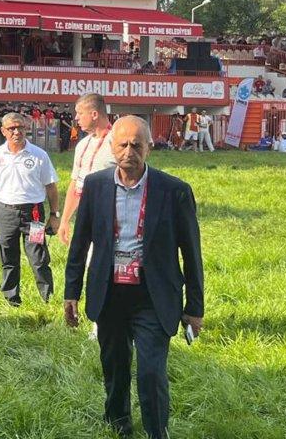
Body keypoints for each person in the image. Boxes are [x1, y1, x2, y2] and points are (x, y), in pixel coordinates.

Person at [64, 116, 205, 439]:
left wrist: (195, 307)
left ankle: (158, 431)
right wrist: (71, 292)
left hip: (153, 295)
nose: (129, 151)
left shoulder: (174, 191)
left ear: (149, 149)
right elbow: (80, 242)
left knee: (152, 372)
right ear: (113, 148)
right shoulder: (97, 186)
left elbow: (192, 254)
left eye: (136, 145)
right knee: (114, 366)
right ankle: (119, 426)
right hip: (109, 293)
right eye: (123, 145)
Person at [0, 112, 60, 306]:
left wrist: (55, 215)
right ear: (3, 131)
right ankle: (11, 300)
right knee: (8, 256)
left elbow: (51, 187)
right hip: (5, 213)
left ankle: (48, 299)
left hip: (34, 214)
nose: (16, 132)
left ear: (26, 128)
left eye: (20, 127)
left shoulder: (39, 155)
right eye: (11, 128)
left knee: (38, 258)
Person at [58, 94, 117, 246]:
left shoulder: (118, 142)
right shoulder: (82, 145)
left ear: (94, 114)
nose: (76, 118)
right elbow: (76, 183)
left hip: (113, 219)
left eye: (80, 113)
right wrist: (64, 220)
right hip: (87, 217)